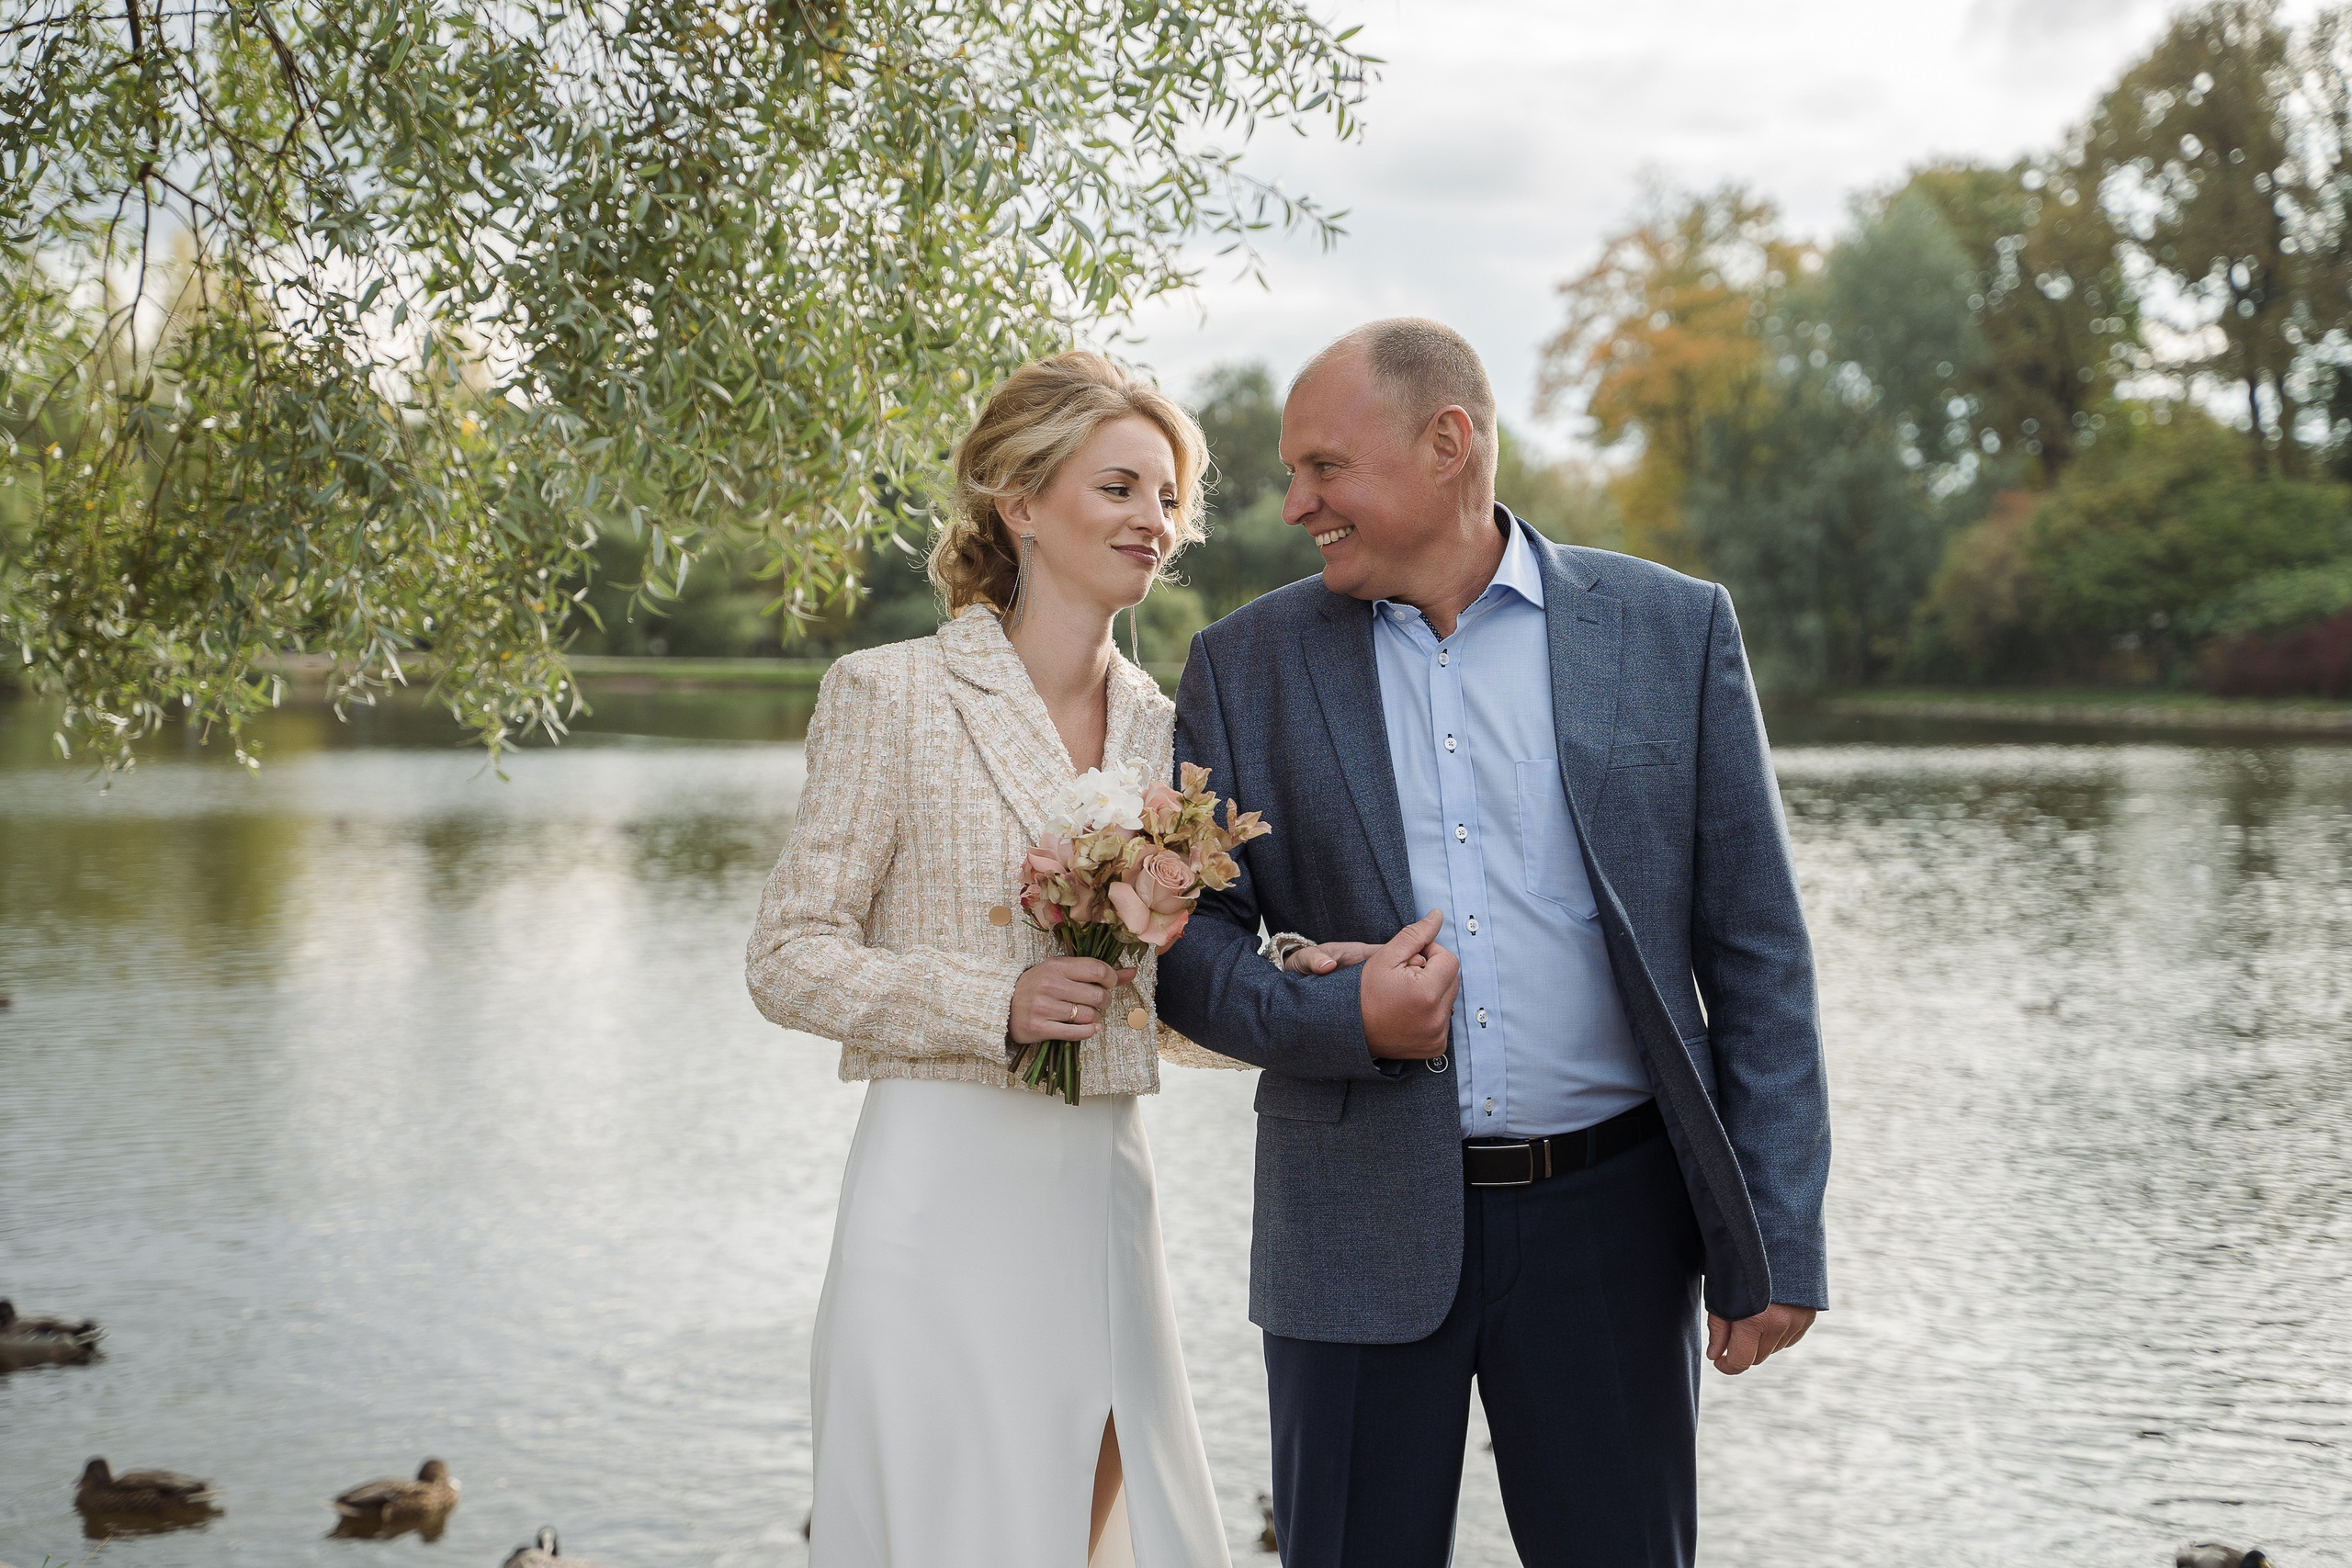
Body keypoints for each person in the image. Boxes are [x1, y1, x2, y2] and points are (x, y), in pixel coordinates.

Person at [1156, 319, 1831, 1567]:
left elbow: (1758, 956)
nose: (1298, 502)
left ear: (1448, 442)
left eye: (1323, 468)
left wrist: (1778, 1233)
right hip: (1350, 1227)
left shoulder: (1671, 632)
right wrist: (1338, 1022)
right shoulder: (1241, 664)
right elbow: (1188, 944)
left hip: (1615, 1233)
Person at [746, 353, 1235, 1568]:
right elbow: (788, 955)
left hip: (1099, 1187)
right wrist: (995, 1003)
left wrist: (1283, 980)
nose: (1153, 523)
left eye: (1169, 498)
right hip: (937, 1189)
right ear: (1019, 501)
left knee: (1108, 1526)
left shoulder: (1171, 733)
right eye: (1121, 487)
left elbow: (1162, 1007)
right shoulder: (890, 695)